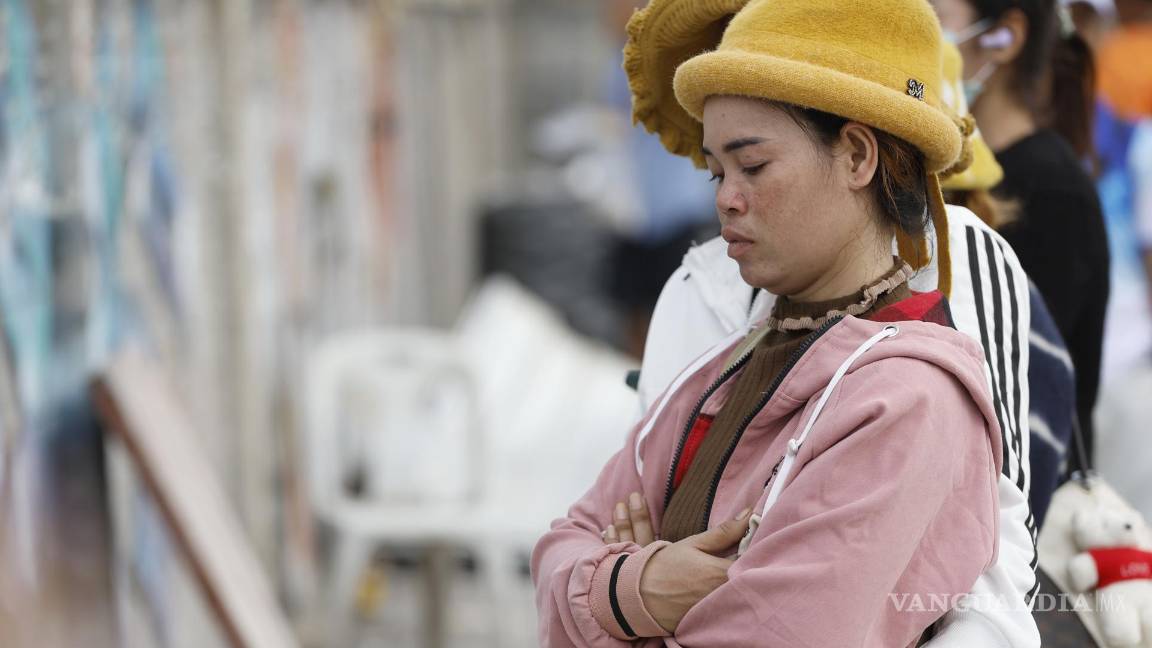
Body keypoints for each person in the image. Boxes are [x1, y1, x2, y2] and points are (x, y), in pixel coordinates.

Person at [533, 1, 1006, 645]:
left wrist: (614, 602)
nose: (727, 197)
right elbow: (562, 546)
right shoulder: (732, 358)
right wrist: (635, 591)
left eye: (753, 166)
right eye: (716, 172)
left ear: (858, 157)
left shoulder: (907, 402)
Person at [932, 0, 1110, 471]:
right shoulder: (953, 175)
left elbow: (1016, 380)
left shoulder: (1052, 190)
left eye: (935, 16)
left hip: (1023, 500)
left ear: (1005, 36)